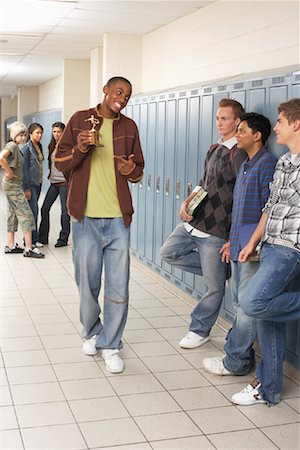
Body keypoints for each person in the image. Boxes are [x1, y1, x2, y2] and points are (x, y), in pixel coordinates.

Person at [54, 76, 144, 373]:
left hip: (119, 219)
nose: (123, 97)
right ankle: (92, 331)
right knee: (88, 284)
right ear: (105, 91)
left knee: (119, 285)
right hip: (85, 218)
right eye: (119, 91)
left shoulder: (129, 126)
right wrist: (80, 148)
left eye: (128, 94)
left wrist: (131, 170)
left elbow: (139, 170)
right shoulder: (80, 120)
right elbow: (59, 162)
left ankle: (111, 343)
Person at [160, 98, 247, 349]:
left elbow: (241, 195)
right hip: (194, 221)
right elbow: (203, 181)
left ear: (237, 121)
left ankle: (200, 329)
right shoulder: (214, 147)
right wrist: (185, 203)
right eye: (218, 118)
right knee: (168, 253)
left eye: (225, 118)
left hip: (217, 228)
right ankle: (221, 274)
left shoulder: (238, 154)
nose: (219, 122)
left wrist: (234, 236)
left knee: (212, 288)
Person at [231, 98, 300, 406]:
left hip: (290, 249)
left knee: (252, 301)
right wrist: (252, 243)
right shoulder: (286, 161)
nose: (277, 128)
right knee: (267, 318)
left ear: (296, 124)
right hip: (270, 245)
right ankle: (268, 389)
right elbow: (269, 208)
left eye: (281, 122)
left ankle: (266, 385)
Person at [202, 113, 277, 376]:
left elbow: (268, 211)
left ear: (257, 135)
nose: (238, 134)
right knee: (239, 304)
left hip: (253, 250)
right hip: (239, 246)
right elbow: (241, 209)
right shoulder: (245, 164)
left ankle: (233, 361)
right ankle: (243, 360)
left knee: (246, 307)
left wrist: (252, 245)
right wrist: (232, 244)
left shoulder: (267, 164)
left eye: (242, 130)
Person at [0, 122, 44, 258]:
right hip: (13, 185)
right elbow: (2, 157)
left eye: (24, 135)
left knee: (12, 214)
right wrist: (9, 172)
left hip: (11, 184)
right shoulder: (12, 145)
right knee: (27, 215)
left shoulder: (16, 146)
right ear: (14, 134)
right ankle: (29, 248)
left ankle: (10, 245)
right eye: (21, 134)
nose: (23, 137)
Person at [37, 122, 70, 247]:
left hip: (64, 183)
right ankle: (43, 237)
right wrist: (50, 173)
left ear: (63, 132)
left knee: (64, 212)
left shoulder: (67, 146)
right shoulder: (52, 145)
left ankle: (63, 239)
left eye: (59, 132)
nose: (56, 134)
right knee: (44, 209)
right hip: (54, 182)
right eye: (54, 131)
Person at [22, 122, 44, 246]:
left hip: (38, 183)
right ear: (30, 133)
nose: (40, 135)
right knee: (33, 212)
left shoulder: (38, 146)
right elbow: (24, 170)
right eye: (37, 133)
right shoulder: (27, 149)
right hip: (30, 184)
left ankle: (32, 239)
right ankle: (31, 240)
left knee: (34, 210)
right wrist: (26, 188)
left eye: (41, 133)